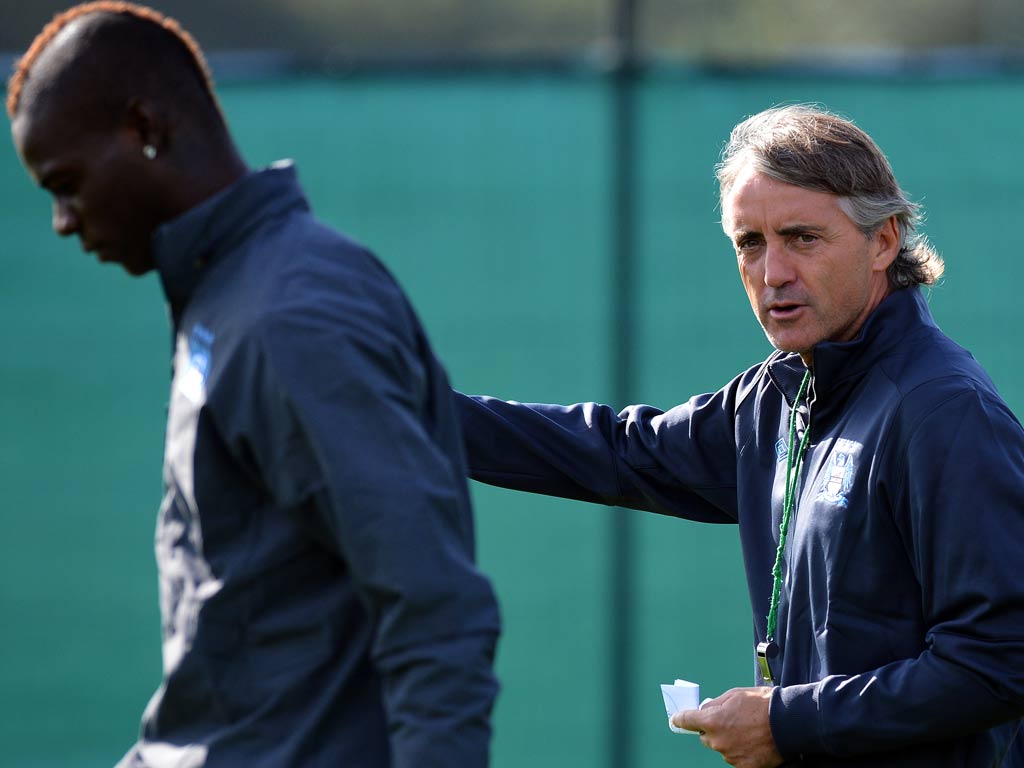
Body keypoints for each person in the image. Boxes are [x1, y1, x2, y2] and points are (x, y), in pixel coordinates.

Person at [7, 3, 500, 766]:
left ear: (145, 127)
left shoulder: (291, 314)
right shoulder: (229, 294)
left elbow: (433, 611)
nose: (62, 222)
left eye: (66, 184)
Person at [457, 105, 1024, 767]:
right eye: (749, 243)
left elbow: (1003, 658)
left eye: (802, 238)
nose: (772, 272)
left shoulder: (941, 410)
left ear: (883, 242)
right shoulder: (776, 396)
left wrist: (788, 722)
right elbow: (614, 450)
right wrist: (411, 415)